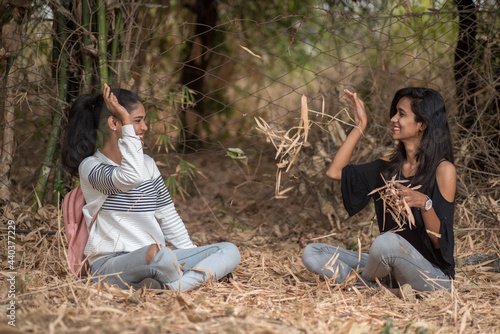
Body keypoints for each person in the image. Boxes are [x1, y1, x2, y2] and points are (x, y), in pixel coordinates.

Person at [62, 84, 241, 291]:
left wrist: (194, 256)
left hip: (156, 256)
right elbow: (129, 177)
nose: (145, 127)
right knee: (162, 257)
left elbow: (167, 215)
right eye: (137, 121)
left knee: (228, 250)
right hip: (112, 265)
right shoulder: (91, 167)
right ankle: (192, 280)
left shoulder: (148, 164)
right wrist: (127, 125)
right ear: (114, 122)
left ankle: (171, 288)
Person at [302, 87, 456, 298]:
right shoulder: (387, 168)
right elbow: (335, 172)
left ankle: (363, 286)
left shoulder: (443, 170)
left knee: (386, 242)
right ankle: (386, 291)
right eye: (395, 112)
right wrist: (360, 125)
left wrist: (425, 204)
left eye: (401, 114)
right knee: (313, 253)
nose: (393, 118)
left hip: (432, 277)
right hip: (390, 267)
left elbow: (441, 243)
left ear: (423, 124)